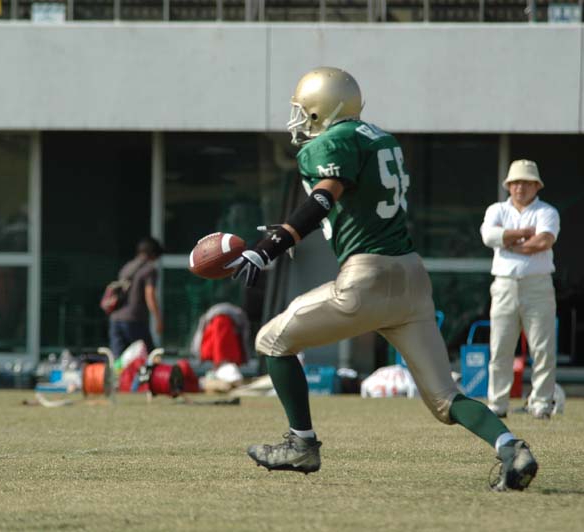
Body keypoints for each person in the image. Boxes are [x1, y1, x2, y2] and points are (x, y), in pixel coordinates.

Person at [227, 66, 538, 491]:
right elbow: (351, 206)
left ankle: (301, 444)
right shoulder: (379, 138)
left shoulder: (333, 142)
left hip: (367, 279)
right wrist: (289, 230)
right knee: (445, 398)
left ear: (321, 108)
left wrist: (270, 247)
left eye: (304, 109)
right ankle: (511, 448)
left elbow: (324, 198)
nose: (299, 119)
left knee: (271, 341)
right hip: (411, 279)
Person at [480, 160, 560, 420]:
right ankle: (497, 403)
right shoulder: (497, 209)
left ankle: (541, 403)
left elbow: (543, 241)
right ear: (508, 186)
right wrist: (523, 233)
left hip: (538, 284)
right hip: (504, 284)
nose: (520, 188)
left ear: (537, 186)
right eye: (515, 183)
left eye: (526, 183)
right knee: (500, 347)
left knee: (542, 348)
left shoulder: (547, 211)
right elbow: (488, 237)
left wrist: (509, 242)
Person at [108, 236, 164, 358]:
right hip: (134, 319)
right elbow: (149, 294)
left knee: (119, 360)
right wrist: (158, 319)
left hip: (115, 318)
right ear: (153, 254)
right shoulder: (149, 270)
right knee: (149, 357)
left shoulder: (127, 267)